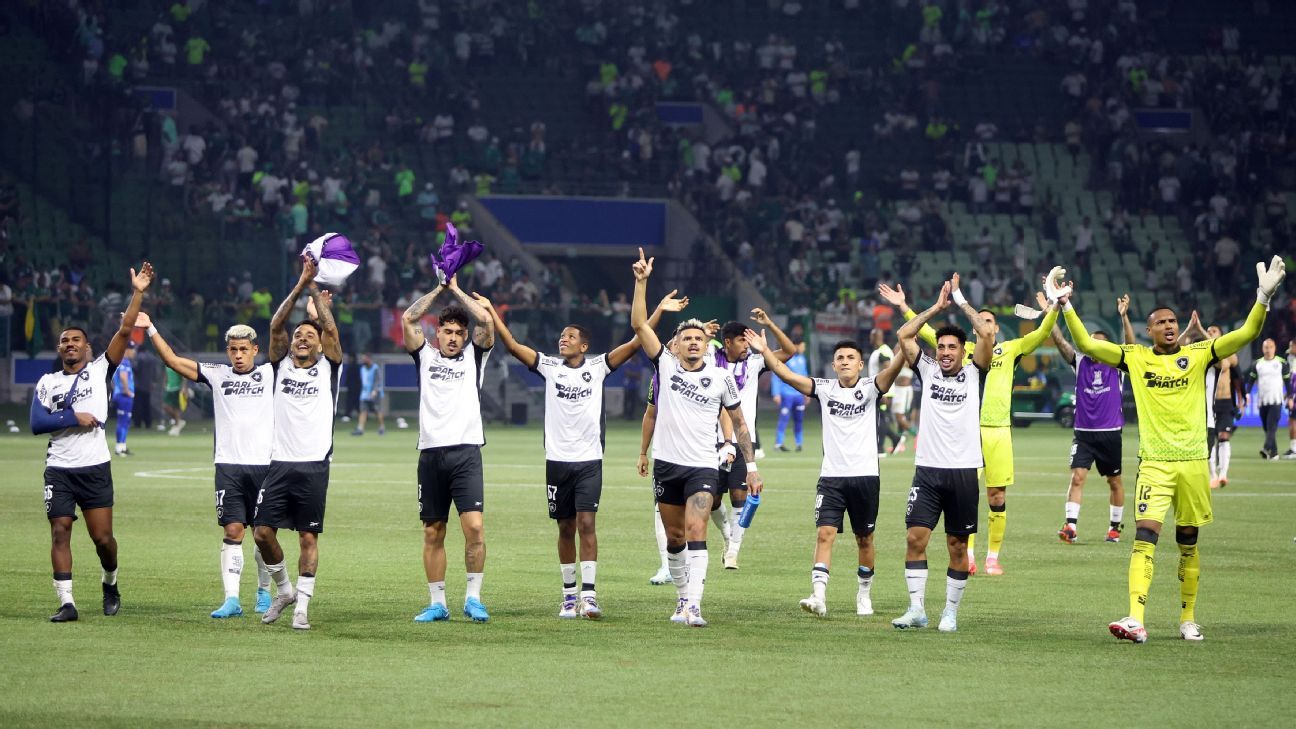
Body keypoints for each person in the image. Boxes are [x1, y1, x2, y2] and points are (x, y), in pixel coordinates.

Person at [1062, 256, 1285, 643]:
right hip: (1155, 466)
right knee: (1144, 536)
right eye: (1161, 322)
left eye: (1172, 321)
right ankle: (1135, 618)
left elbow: (1247, 332)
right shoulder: (1135, 357)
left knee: (1188, 543)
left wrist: (1262, 298)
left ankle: (1188, 619)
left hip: (1195, 464)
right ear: (1148, 330)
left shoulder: (1198, 355)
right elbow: (1084, 343)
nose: (1169, 325)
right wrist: (1064, 304)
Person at [482, 287, 686, 618]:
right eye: (562, 335)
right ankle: (567, 595)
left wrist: (659, 309)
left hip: (590, 461)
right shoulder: (549, 366)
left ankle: (589, 596)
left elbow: (638, 341)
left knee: (587, 523)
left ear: (584, 345)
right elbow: (513, 346)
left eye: (570, 336)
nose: (563, 340)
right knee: (565, 528)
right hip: (556, 462)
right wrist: (492, 309)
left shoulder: (599, 367)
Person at [882, 276, 1059, 575]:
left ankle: (993, 556)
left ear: (996, 327)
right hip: (970, 435)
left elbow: (1042, 332)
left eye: (988, 322)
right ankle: (971, 555)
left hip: (1000, 430)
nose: (984, 326)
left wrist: (1054, 307)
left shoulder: (1009, 349)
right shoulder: (962, 355)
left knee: (997, 496)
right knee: (969, 497)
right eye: (981, 322)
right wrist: (904, 307)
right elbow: (922, 332)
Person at [632, 247, 761, 627]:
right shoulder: (666, 367)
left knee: (696, 530)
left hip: (702, 466)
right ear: (676, 345)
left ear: (707, 345)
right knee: (674, 539)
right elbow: (641, 326)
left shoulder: (721, 378)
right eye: (686, 338)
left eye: (698, 339)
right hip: (667, 465)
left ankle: (695, 605)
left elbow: (738, 422)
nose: (692, 342)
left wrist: (750, 465)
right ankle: (681, 598)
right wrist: (641, 283)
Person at [749, 329, 906, 617]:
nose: (845, 362)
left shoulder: (872, 387)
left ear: (861, 364)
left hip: (866, 477)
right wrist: (764, 351)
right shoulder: (823, 388)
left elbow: (895, 366)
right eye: (840, 358)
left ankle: (864, 594)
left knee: (865, 539)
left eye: (851, 358)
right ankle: (818, 596)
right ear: (833, 366)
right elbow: (785, 374)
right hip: (831, 478)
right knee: (824, 534)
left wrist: (907, 341)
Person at [31, 262, 151, 622]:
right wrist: (73, 417)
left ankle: (110, 582)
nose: (69, 344)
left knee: (103, 540)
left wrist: (138, 292)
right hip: (60, 469)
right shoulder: (47, 382)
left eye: (75, 340)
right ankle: (67, 603)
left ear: (87, 346)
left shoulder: (101, 369)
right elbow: (37, 422)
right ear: (60, 348)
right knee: (59, 531)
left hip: (95, 467)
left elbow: (127, 328)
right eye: (64, 341)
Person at [140, 306, 276, 618]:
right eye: (233, 350)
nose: (238, 355)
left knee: (263, 535)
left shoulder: (269, 373)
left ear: (256, 350)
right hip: (227, 466)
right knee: (232, 532)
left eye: (244, 349)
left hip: (265, 466)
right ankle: (232, 600)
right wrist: (150, 327)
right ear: (227, 351)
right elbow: (173, 361)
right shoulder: (217, 373)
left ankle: (263, 591)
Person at [890, 276, 995, 633]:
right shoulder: (927, 369)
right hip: (928, 472)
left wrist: (962, 301)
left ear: (964, 351)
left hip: (964, 471)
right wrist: (936, 308)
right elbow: (905, 336)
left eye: (953, 347)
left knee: (956, 545)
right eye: (943, 347)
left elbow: (987, 335)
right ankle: (917, 609)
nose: (947, 353)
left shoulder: (974, 373)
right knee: (914, 538)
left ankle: (950, 612)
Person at [253, 257, 344, 631]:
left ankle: (302, 607)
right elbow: (276, 325)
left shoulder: (328, 367)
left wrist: (317, 300)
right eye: (298, 335)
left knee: (308, 536)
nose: (302, 338)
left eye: (310, 335)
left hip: (313, 465)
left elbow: (333, 335)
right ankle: (285, 590)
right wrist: (301, 283)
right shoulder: (280, 367)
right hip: (280, 462)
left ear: (320, 345)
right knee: (261, 533)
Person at [401, 275, 495, 624]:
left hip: (466, 453)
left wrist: (455, 289)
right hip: (431, 455)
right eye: (447, 332)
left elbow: (486, 321)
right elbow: (408, 319)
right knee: (433, 531)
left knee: (474, 528)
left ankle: (473, 598)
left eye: (459, 332)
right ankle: (437, 603)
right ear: (437, 334)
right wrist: (438, 290)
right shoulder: (424, 356)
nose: (453, 338)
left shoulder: (475, 357)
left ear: (464, 336)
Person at [709, 309, 796, 569]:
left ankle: (733, 551)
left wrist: (769, 324)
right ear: (728, 342)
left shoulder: (755, 363)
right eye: (741, 341)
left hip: (743, 440)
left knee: (740, 497)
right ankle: (728, 536)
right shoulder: (711, 361)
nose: (746, 345)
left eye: (748, 341)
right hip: (708, 440)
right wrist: (700, 331)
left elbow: (788, 351)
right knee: (711, 499)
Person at [1050, 293, 1134, 543]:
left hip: (1110, 433)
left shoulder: (1117, 364)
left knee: (1114, 481)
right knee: (1077, 477)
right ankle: (1071, 527)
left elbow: (1131, 347)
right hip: (1083, 433)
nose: (1093, 345)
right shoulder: (1080, 361)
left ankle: (1115, 527)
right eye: (1091, 341)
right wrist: (1049, 314)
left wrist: (1124, 316)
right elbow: (1060, 341)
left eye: (1099, 342)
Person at [1178, 315, 1246, 487]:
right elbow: (1177, 348)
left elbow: (1237, 379)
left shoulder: (1228, 354)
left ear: (1221, 336)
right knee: (1210, 440)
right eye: (1208, 331)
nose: (1210, 333)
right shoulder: (1198, 356)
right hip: (1206, 405)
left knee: (1224, 437)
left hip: (1225, 402)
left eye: (1213, 331)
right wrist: (1191, 329)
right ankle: (1213, 474)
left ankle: (1223, 473)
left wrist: (1241, 400)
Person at [1249, 338, 1291, 460]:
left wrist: (1290, 397)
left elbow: (1287, 382)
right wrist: (1247, 394)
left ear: (1275, 348)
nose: (1268, 350)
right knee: (1267, 428)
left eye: (1270, 347)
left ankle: (1266, 448)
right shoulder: (1257, 364)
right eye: (1266, 347)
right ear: (1262, 349)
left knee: (1271, 426)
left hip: (1276, 400)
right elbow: (1251, 381)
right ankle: (1274, 453)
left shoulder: (1281, 363)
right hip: (1262, 400)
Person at [772, 339, 809, 452]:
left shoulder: (802, 359)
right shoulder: (786, 357)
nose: (803, 348)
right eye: (802, 346)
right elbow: (776, 376)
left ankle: (799, 444)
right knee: (784, 419)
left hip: (799, 395)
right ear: (796, 346)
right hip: (787, 394)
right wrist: (776, 393)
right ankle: (779, 443)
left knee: (799, 420)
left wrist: (807, 392)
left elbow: (805, 376)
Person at [111, 342, 136, 456]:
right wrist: (127, 391)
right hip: (124, 396)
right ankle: (119, 447)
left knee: (124, 421)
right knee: (123, 421)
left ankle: (122, 446)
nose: (134, 352)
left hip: (120, 395)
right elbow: (123, 377)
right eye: (132, 349)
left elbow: (112, 379)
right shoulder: (124, 362)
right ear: (126, 350)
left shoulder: (118, 362)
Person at [352, 353, 385, 436]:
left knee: (377, 411)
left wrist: (375, 391)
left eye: (365, 359)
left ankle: (381, 427)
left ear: (369, 359)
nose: (363, 360)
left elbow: (378, 380)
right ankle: (360, 429)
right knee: (363, 411)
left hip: (374, 394)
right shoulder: (362, 369)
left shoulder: (375, 368)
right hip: (364, 394)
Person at [162, 364, 189, 435]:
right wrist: (165, 383)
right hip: (169, 389)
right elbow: (166, 375)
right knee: (165, 407)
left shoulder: (177, 364)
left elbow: (184, 377)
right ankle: (179, 422)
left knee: (176, 408)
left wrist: (183, 387)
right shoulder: (167, 365)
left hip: (176, 388)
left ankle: (177, 426)